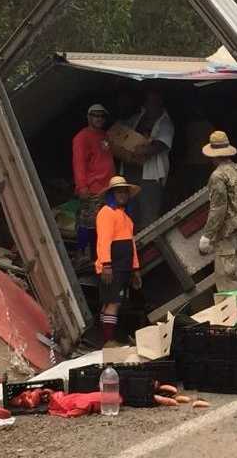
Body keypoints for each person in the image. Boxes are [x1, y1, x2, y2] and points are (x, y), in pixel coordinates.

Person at [198, 131, 237, 292]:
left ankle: (231, 317)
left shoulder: (218, 176)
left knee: (227, 286)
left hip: (228, 236)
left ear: (213, 155)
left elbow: (218, 208)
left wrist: (207, 236)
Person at [95, 176, 142, 346]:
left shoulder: (126, 217)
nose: (122, 195)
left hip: (123, 266)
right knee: (113, 302)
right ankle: (108, 340)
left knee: (111, 301)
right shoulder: (106, 213)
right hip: (112, 266)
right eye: (118, 192)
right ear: (112, 194)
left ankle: (106, 338)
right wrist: (106, 265)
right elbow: (103, 241)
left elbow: (132, 244)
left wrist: (135, 269)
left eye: (124, 192)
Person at [121, 89, 175, 230]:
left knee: (148, 216)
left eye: (154, 102)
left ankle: (148, 249)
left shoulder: (165, 123)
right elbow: (120, 131)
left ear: (160, 103)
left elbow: (159, 146)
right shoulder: (139, 117)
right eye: (149, 101)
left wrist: (140, 150)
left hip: (150, 177)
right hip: (130, 173)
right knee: (129, 213)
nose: (150, 105)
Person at [71, 104, 115, 265]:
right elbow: (79, 163)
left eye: (102, 116)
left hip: (107, 188)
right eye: (95, 115)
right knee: (87, 225)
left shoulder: (105, 136)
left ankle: (99, 257)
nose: (99, 118)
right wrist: (82, 186)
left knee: (104, 226)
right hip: (92, 189)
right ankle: (83, 257)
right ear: (89, 117)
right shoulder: (82, 137)